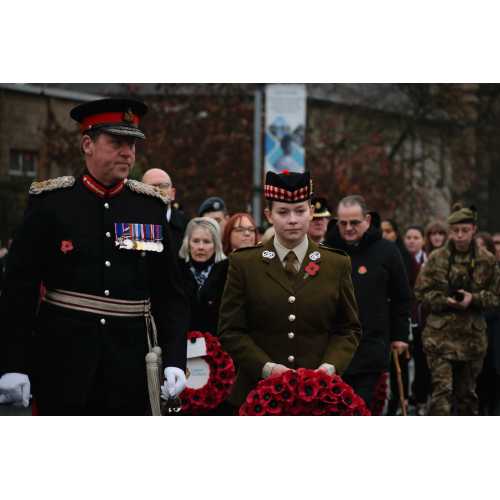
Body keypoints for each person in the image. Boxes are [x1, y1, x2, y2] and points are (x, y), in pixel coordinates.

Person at [0, 98, 189, 415]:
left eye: (132, 144)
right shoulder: (52, 204)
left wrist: (174, 358)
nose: (127, 153)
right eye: (116, 143)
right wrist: (12, 363)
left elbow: (170, 293)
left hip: (130, 367)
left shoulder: (148, 207)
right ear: (87, 143)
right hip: (63, 362)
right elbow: (19, 289)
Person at [219, 171, 361, 412]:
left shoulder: (335, 264)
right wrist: (267, 368)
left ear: (311, 212)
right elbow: (231, 330)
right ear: (269, 215)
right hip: (257, 395)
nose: (292, 219)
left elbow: (348, 328)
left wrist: (329, 368)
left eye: (300, 211)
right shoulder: (245, 264)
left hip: (318, 397)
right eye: (283, 212)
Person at [324, 196, 411, 411]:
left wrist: (400, 335)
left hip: (371, 345)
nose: (348, 228)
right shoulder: (326, 251)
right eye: (343, 223)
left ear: (368, 220)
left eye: (354, 222)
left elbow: (401, 296)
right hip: (332, 348)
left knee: (362, 408)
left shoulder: (387, 251)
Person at [415, 204, 500, 415]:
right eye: (455, 231)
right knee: (441, 395)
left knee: (467, 397)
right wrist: (444, 301)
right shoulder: (436, 259)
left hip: (471, 338)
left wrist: (474, 299)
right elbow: (420, 293)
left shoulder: (486, 261)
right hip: (439, 338)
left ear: (474, 230)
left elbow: (496, 297)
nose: (460, 236)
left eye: (465, 230)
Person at [178, 217, 228, 336]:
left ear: (216, 245)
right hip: (182, 344)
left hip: (219, 344)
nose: (201, 247)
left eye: (206, 242)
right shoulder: (176, 270)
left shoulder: (228, 271)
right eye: (195, 241)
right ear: (187, 243)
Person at [403, 225, 431, 415]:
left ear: (422, 240)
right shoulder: (399, 259)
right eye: (409, 237)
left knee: (422, 361)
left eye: (416, 237)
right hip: (405, 317)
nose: (412, 240)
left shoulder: (429, 261)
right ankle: (403, 398)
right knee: (404, 360)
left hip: (425, 319)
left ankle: (420, 398)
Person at [142, 168, 189, 256]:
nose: (157, 191)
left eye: (163, 186)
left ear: (172, 193)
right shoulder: (129, 225)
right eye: (150, 187)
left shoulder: (188, 227)